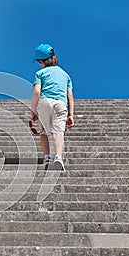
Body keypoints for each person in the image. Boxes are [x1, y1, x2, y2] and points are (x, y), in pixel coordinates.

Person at [30, 43, 74, 171]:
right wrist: (71, 115)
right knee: (58, 132)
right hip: (61, 104)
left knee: (44, 131)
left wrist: (33, 110)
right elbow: (70, 96)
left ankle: (47, 157)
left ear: (41, 61)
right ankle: (58, 158)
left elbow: (37, 92)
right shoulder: (66, 75)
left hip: (45, 102)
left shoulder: (40, 73)